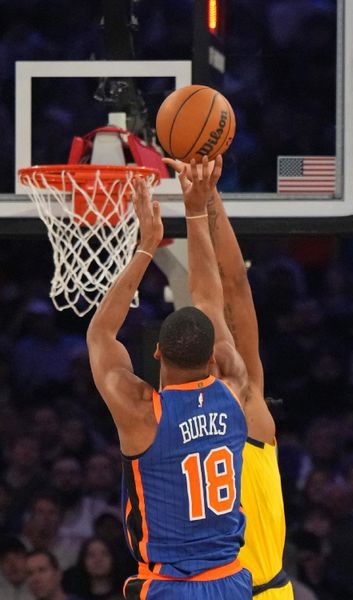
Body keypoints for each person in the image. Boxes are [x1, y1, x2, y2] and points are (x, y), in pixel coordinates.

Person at [86, 166, 251, 598]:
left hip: (173, 587)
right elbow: (210, 300)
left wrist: (146, 246)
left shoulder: (143, 412)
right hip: (231, 580)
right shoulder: (234, 386)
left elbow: (101, 334)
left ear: (157, 351)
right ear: (214, 355)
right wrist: (196, 210)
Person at [163, 154, 293, 598]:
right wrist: (202, 201)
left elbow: (220, 293)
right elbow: (230, 287)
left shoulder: (161, 411)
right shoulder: (243, 400)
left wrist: (202, 202)